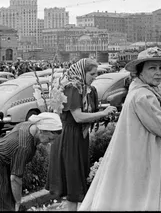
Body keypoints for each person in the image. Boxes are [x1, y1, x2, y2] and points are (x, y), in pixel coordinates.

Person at [79, 47, 161, 211]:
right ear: (140, 72)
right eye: (152, 68)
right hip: (143, 160)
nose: (158, 73)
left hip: (139, 157)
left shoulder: (143, 91)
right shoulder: (144, 96)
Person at [46, 58, 117, 211]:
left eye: (96, 74)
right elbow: (78, 117)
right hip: (69, 138)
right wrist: (102, 113)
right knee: (73, 181)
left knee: (78, 178)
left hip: (80, 137)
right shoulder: (72, 88)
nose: (95, 77)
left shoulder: (88, 90)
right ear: (81, 73)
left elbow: (90, 114)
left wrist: (105, 114)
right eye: (92, 74)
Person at [0, 112, 63, 211]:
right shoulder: (25, 146)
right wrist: (17, 201)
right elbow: (15, 178)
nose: (51, 142)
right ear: (42, 130)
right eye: (50, 138)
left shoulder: (28, 126)